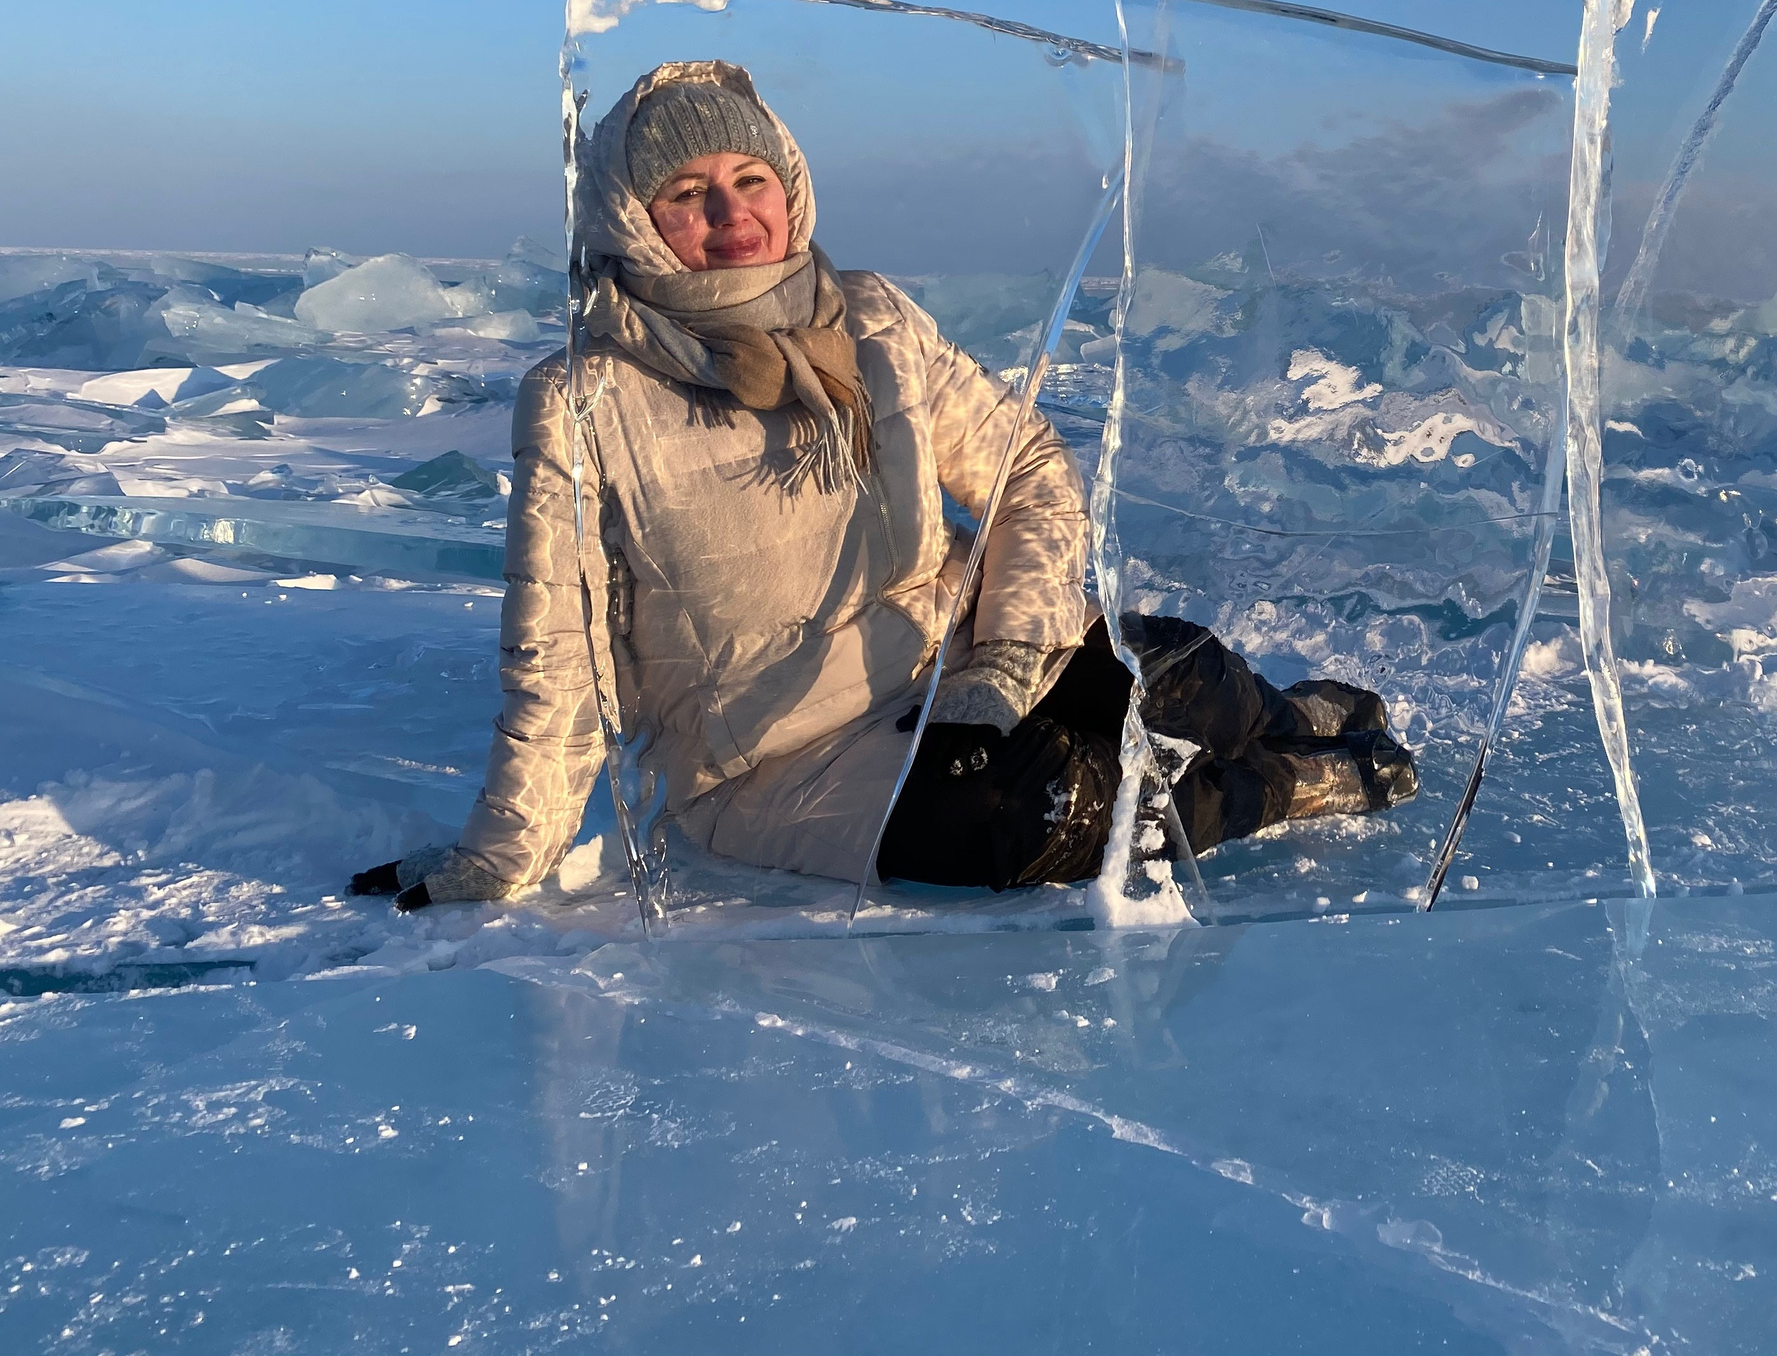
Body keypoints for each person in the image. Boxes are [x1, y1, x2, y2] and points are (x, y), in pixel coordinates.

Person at [354, 59, 1415, 911]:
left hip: (950, 668)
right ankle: (1292, 783)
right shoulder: (587, 397)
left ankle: (1284, 716)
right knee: (1032, 814)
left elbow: (1031, 469)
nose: (733, 212)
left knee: (1178, 668)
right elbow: (562, 652)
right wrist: (504, 857)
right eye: (687, 193)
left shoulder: (870, 320)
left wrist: (996, 666)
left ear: (790, 184)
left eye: (750, 179)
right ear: (633, 219)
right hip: (776, 762)